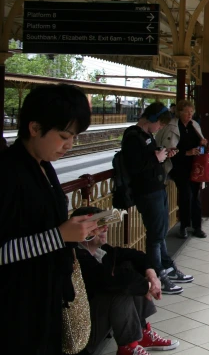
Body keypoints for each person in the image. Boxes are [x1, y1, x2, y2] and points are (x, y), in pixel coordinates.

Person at [0, 83, 98, 354]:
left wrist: (79, 233)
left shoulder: (44, 167)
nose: (69, 145)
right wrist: (59, 236)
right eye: (64, 135)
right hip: (16, 312)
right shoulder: (7, 173)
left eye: (74, 137)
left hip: (47, 299)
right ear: (34, 128)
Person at [72, 206, 179, 355]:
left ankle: (140, 333)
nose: (106, 229)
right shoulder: (76, 258)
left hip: (99, 319)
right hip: (82, 336)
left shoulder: (103, 251)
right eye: (99, 226)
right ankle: (128, 347)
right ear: (84, 232)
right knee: (122, 289)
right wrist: (147, 286)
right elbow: (109, 281)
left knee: (131, 268)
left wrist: (152, 276)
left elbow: (137, 256)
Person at [123, 102, 192, 296]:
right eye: (160, 124)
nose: (160, 128)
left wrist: (163, 154)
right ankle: (158, 275)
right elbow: (135, 166)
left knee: (160, 232)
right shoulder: (132, 136)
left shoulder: (146, 136)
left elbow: (148, 159)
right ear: (152, 119)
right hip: (146, 191)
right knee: (155, 235)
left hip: (156, 188)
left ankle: (167, 266)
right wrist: (157, 158)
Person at [156, 99, 208, 239]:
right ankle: (184, 226)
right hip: (178, 166)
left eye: (191, 112)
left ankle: (197, 227)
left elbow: (202, 147)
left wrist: (202, 144)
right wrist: (186, 152)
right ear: (179, 112)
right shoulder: (172, 126)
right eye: (187, 112)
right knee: (186, 195)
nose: (190, 114)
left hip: (195, 166)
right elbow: (166, 149)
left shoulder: (194, 125)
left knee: (196, 196)